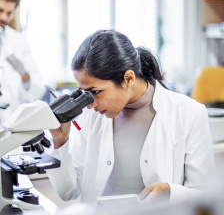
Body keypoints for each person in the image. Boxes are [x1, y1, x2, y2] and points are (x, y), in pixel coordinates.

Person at [47, 30, 215, 206]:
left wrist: (170, 191)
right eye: (85, 93)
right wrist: (60, 141)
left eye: (96, 92)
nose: (90, 104)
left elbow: (204, 195)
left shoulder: (189, 113)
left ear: (128, 78)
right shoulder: (91, 114)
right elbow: (69, 192)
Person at [0, 0, 47, 125]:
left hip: (11, 121)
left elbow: (38, 90)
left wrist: (23, 73)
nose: (4, 17)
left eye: (9, 13)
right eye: (0, 10)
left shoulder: (18, 41)